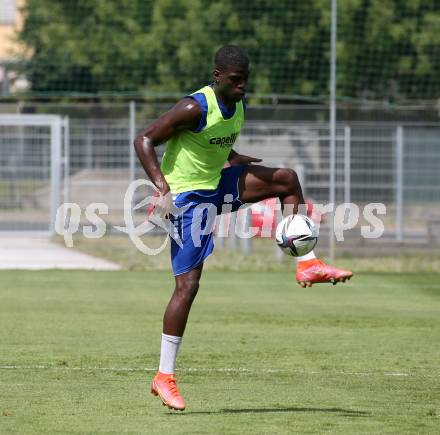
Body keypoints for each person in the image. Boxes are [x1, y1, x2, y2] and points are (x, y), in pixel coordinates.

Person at [134, 44, 353, 411]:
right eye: (235, 81)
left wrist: (232, 157)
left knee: (286, 179)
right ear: (217, 76)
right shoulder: (194, 107)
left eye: (245, 82)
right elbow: (144, 140)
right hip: (186, 201)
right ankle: (164, 377)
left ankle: (308, 263)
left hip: (216, 185)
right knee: (188, 287)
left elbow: (208, 145)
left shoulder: (238, 106)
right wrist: (161, 185)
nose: (241, 88)